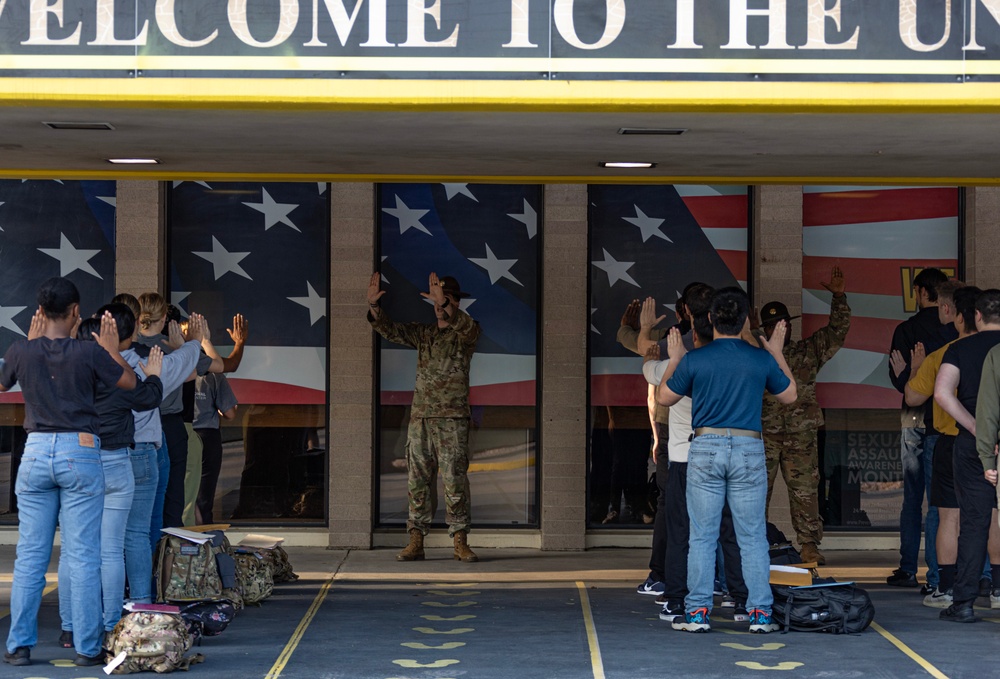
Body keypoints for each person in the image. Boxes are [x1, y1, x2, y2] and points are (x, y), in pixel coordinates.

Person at [2, 277, 136, 667]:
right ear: (77, 312)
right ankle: (87, 648)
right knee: (81, 555)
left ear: (40, 313)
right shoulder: (88, 353)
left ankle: (19, 646)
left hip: (36, 451)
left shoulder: (20, 351)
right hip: (80, 451)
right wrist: (110, 349)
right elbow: (128, 382)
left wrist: (26, 346)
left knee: (30, 556)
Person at [657, 287, 796, 634]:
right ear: (747, 320)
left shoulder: (695, 360)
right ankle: (760, 615)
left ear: (709, 319)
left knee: (702, 536)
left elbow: (664, 396)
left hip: (704, 446)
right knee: (751, 537)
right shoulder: (759, 359)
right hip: (749, 448)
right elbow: (790, 395)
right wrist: (777, 353)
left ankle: (698, 613)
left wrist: (674, 357)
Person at [56, 307, 164, 649]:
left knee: (73, 552)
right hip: (117, 462)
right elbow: (148, 398)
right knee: (111, 552)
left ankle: (70, 628)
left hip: (76, 463)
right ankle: (110, 626)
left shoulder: (67, 378)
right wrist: (154, 373)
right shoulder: (117, 377)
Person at [641, 286, 751, 624]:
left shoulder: (686, 364)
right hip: (729, 455)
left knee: (682, 533)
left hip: (685, 460)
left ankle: (678, 600)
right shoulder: (740, 362)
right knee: (731, 532)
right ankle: (741, 599)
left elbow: (648, 369)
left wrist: (654, 340)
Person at [367, 271, 481, 562]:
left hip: (452, 421)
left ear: (455, 303)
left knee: (454, 482)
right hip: (421, 420)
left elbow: (467, 329)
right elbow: (390, 329)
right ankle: (416, 541)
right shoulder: (425, 333)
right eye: (436, 302)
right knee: (417, 482)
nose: (439, 307)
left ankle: (460, 541)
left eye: (445, 302)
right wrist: (374, 307)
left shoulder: (466, 333)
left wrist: (447, 306)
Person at [757, 266, 851, 566]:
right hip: (765, 434)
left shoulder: (807, 352)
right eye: (772, 325)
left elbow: (837, 332)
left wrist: (838, 297)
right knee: (757, 492)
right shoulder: (755, 356)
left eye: (782, 323)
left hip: (801, 435)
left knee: (806, 492)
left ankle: (809, 545)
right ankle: (752, 542)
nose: (778, 329)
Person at [900, 283, 977, 608]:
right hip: (991, 442)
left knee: (947, 515)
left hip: (951, 440)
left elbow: (913, 396)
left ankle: (945, 586)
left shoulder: (944, 355)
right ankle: (993, 584)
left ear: (958, 317)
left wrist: (916, 371)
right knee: (990, 514)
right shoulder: (994, 351)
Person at [887, 268, 956, 591]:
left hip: (915, 417)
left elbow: (902, 382)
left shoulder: (907, 329)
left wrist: (910, 375)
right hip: (949, 420)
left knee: (913, 498)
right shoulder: (954, 331)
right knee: (945, 501)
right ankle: (943, 572)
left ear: (919, 291)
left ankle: (907, 567)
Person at [934, 288, 1000, 622]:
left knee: (974, 522)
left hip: (973, 445)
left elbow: (942, 394)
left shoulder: (958, 348)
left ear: (975, 315)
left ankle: (964, 602)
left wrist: (976, 427)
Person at [193, 372, 239, 524]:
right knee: (204, 495)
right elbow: (230, 413)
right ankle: (203, 536)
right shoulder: (213, 376)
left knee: (182, 492)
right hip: (207, 435)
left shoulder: (173, 366)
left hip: (180, 434)